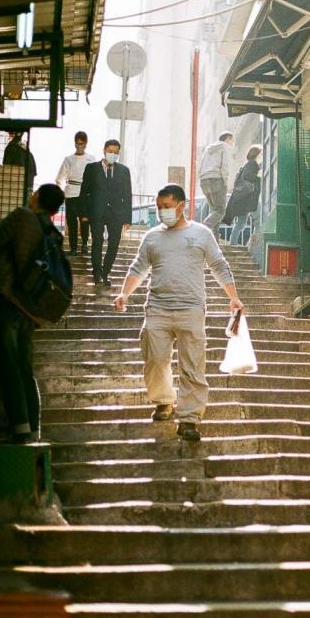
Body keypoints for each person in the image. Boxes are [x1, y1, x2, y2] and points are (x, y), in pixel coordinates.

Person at [114, 184, 244, 442]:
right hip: (158, 309)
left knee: (193, 366)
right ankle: (164, 402)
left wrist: (233, 297)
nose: (162, 212)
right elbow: (138, 267)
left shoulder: (202, 234)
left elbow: (218, 265)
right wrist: (124, 293)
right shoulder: (152, 237)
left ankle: (189, 418)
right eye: (159, 207)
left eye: (167, 206)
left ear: (181, 206)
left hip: (191, 310)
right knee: (155, 360)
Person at [0, 183, 66, 443]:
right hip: (30, 307)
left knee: (8, 366)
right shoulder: (50, 230)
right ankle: (32, 429)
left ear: (36, 197)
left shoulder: (22, 216)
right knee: (25, 368)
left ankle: (19, 429)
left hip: (8, 300)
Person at [79, 139, 132, 287]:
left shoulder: (123, 170)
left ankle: (105, 273)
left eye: (116, 152)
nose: (113, 154)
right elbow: (84, 192)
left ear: (119, 153)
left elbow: (127, 195)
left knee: (114, 244)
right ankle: (96, 275)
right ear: (104, 151)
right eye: (110, 151)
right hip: (97, 212)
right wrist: (83, 213)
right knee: (97, 242)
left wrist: (128, 218)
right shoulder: (91, 168)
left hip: (116, 213)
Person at [55, 131, 97, 256]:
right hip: (70, 193)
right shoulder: (68, 159)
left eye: (82, 144)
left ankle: (84, 244)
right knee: (72, 222)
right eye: (78, 143)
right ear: (74, 143)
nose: (79, 146)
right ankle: (73, 248)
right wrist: (59, 190)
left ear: (86, 144)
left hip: (85, 194)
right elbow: (60, 177)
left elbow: (95, 178)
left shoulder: (91, 159)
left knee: (85, 220)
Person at [224, 145, 262, 247]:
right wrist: (259, 177)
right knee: (259, 220)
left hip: (242, 199)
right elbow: (250, 178)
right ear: (257, 154)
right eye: (261, 153)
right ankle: (254, 244)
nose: (262, 156)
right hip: (248, 198)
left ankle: (233, 244)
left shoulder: (247, 164)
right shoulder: (253, 164)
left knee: (241, 222)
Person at [199, 131, 234, 239]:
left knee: (214, 212)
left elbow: (200, 167)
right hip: (217, 179)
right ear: (227, 139)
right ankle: (203, 229)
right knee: (220, 211)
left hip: (204, 180)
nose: (233, 143)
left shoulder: (208, 149)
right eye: (233, 141)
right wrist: (225, 182)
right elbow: (225, 166)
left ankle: (214, 241)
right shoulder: (225, 147)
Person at [3, 131, 37, 198]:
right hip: (28, 186)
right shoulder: (27, 152)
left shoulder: (11, 148)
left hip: (18, 187)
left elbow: (6, 169)